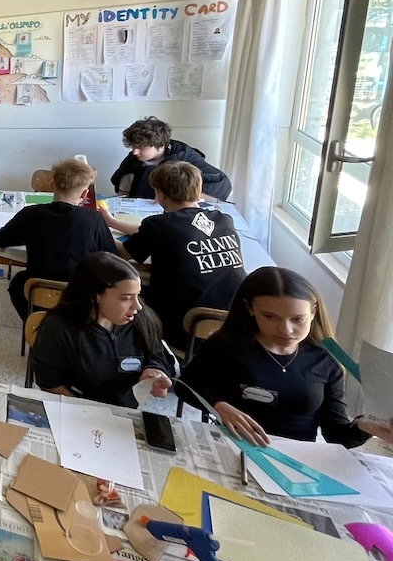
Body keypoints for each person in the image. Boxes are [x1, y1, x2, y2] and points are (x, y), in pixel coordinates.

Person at [180, 267, 388, 447]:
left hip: (295, 457)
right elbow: (184, 387)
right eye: (270, 317)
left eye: (298, 319)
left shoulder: (326, 359)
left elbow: (336, 435)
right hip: (235, 445)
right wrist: (217, 404)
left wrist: (365, 426)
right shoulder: (227, 345)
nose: (286, 330)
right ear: (250, 308)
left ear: (313, 312)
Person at [103, 161, 246, 347]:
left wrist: (99, 228)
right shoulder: (224, 220)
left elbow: (122, 253)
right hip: (233, 324)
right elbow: (172, 229)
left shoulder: (158, 225)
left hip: (185, 328)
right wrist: (112, 222)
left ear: (160, 194)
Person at [29, 252, 175, 408]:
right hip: (76, 407)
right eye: (126, 298)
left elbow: (158, 354)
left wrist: (154, 370)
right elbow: (49, 382)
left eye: (137, 295)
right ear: (95, 296)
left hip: (125, 410)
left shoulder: (142, 319)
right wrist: (86, 410)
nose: (137, 306)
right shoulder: (59, 328)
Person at [0, 158, 117, 320]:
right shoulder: (94, 219)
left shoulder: (30, 214)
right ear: (84, 194)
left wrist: (29, 235)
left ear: (52, 186)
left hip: (38, 291)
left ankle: (38, 323)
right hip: (80, 297)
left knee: (18, 283)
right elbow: (111, 256)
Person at [111, 116, 232, 201]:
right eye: (133, 146)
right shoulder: (133, 159)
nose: (134, 152)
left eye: (141, 148)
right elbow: (122, 191)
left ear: (160, 147)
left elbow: (222, 184)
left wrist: (179, 195)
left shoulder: (183, 156)